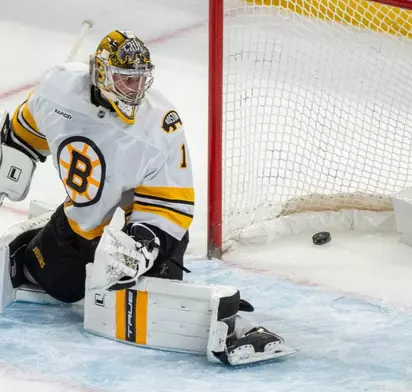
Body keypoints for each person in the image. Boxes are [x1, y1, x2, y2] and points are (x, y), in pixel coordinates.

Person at [0, 29, 293, 365]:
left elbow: (173, 201)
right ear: (101, 74)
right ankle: (42, 243)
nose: (136, 90)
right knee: (59, 286)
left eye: (141, 80)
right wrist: (8, 165)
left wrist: (143, 245)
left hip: (145, 215)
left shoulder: (160, 123)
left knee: (140, 287)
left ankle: (230, 322)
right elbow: (24, 134)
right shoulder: (57, 90)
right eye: (126, 79)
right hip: (83, 217)